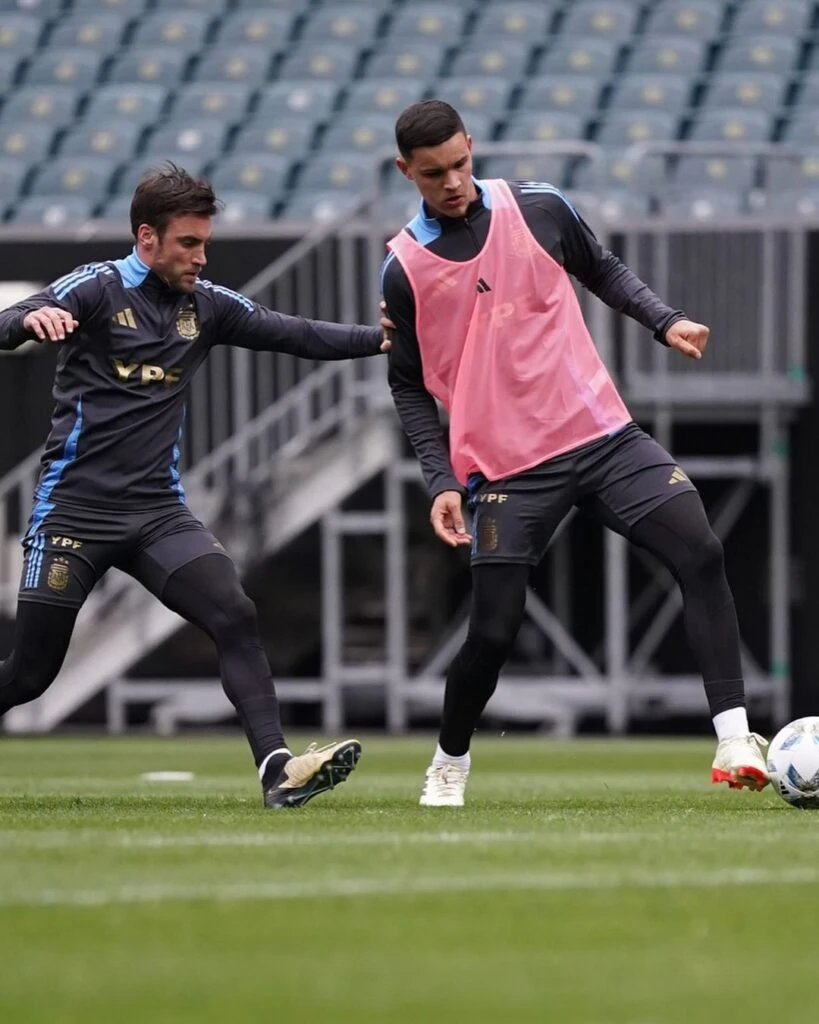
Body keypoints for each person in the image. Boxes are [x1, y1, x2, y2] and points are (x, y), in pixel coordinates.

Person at [380, 100, 768, 807]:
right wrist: (438, 478)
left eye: (460, 163)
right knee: (492, 634)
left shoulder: (539, 206)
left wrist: (665, 320)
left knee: (700, 552)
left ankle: (735, 735)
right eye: (433, 173)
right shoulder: (403, 270)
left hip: (602, 435)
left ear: (472, 147)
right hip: (507, 469)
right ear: (407, 171)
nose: (452, 182)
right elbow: (407, 385)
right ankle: (448, 760)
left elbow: (604, 269)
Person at [0, 163, 390, 809]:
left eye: (205, 243)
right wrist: (30, 320)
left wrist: (381, 341)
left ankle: (276, 769)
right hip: (74, 514)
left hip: (157, 514)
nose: (201, 258)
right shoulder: (95, 288)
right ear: (146, 237)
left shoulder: (205, 308)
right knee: (31, 675)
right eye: (189, 244)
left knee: (234, 614)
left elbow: (294, 334)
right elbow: (12, 317)